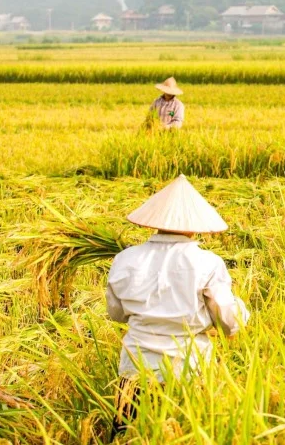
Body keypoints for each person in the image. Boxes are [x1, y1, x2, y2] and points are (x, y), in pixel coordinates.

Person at [106, 174, 250, 437]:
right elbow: (228, 318)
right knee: (186, 433)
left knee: (127, 434)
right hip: (188, 369)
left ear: (156, 223)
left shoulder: (125, 258)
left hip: (135, 368)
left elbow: (116, 313)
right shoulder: (207, 262)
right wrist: (236, 320)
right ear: (195, 226)